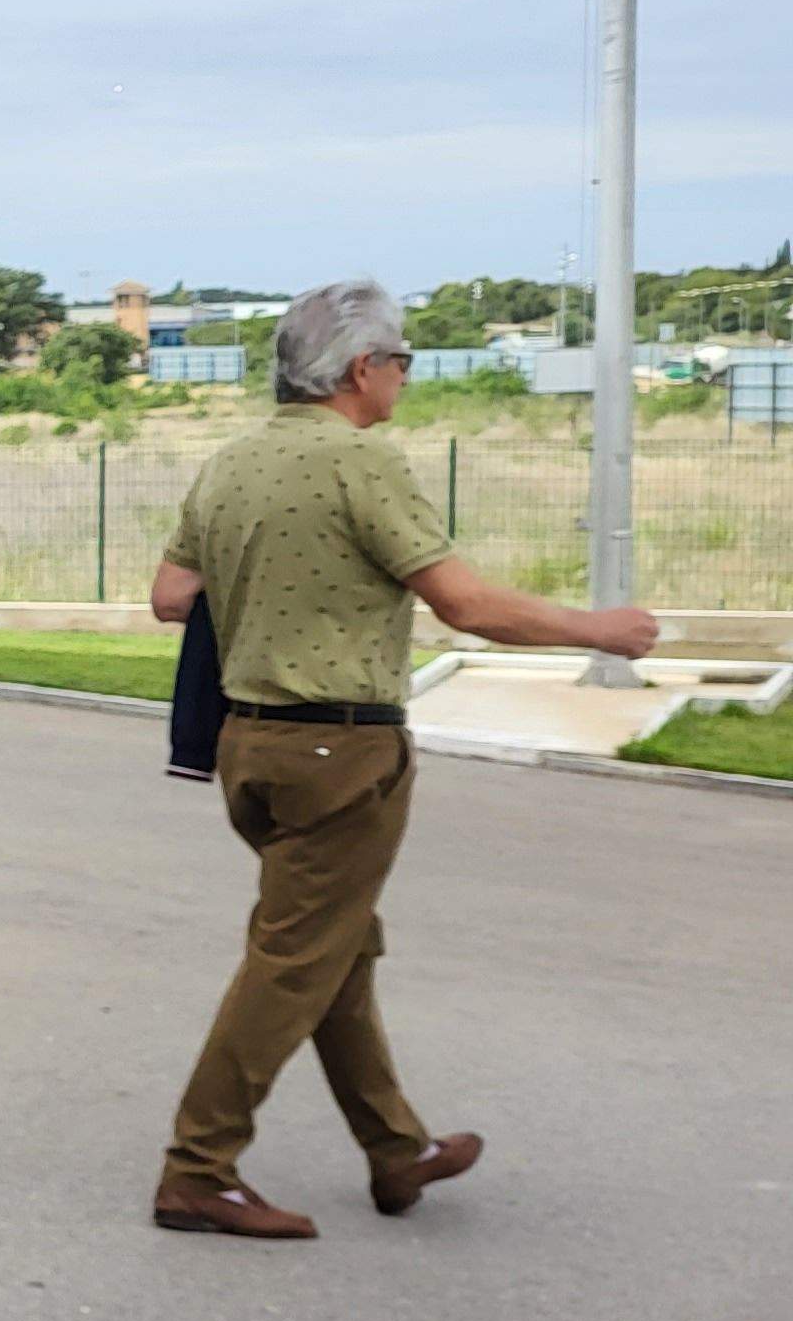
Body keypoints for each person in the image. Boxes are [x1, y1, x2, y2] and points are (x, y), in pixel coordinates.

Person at [143, 279, 656, 1239]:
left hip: (248, 747)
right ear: (358, 369)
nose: (407, 377)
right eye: (403, 360)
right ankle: (196, 1168)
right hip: (341, 750)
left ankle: (395, 1150)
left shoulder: (230, 463)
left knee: (338, 945)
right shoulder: (361, 464)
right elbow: (467, 606)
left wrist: (269, 576)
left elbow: (173, 595)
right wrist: (602, 630)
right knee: (294, 959)